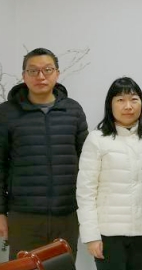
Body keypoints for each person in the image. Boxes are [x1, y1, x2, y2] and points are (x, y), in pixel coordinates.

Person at [76, 77, 142, 270]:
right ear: (110, 105)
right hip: (108, 235)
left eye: (134, 99)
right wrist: (91, 235)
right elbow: (85, 191)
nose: (128, 106)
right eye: (120, 100)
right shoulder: (97, 139)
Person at [0, 48, 88, 257]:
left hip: (66, 215)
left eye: (47, 70)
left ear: (57, 73)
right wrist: (0, 212)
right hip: (24, 216)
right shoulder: (7, 113)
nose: (40, 76)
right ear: (24, 76)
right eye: (33, 71)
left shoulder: (73, 110)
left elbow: (87, 164)